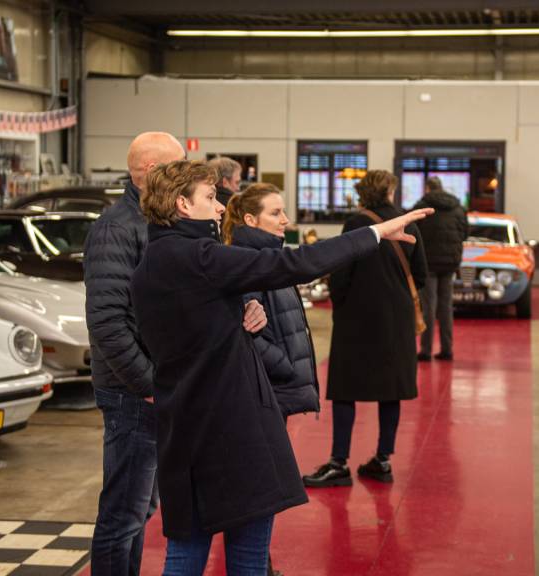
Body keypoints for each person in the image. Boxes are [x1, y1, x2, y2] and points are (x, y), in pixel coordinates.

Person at [130, 161, 431, 576]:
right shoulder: (201, 257)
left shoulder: (149, 266)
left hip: (182, 429)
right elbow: (295, 264)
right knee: (249, 556)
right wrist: (375, 232)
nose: (220, 207)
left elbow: (183, 331)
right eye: (210, 197)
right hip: (234, 428)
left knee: (185, 554)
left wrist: (236, 310)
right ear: (182, 204)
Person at [84, 133, 266, 576]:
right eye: (177, 164)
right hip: (135, 394)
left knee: (142, 508)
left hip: (167, 387)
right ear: (151, 172)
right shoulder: (116, 229)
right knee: (124, 513)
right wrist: (151, 385)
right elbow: (107, 322)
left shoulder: (160, 225)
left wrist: (245, 304)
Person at [302, 169, 428, 488]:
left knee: (345, 388)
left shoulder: (356, 224)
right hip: (397, 319)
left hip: (356, 318)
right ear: (389, 191)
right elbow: (421, 275)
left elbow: (340, 272)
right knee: (392, 389)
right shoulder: (407, 221)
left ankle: (338, 462)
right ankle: (382, 460)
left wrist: (342, 305)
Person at [222, 183, 318, 576]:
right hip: (264, 389)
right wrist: (286, 366)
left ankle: (260, 563)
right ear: (250, 219)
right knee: (258, 489)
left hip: (274, 388)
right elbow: (245, 332)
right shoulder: (247, 262)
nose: (286, 220)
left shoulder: (269, 257)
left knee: (263, 488)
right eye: (275, 213)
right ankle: (256, 565)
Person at [412, 176, 468, 361]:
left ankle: (426, 350)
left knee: (428, 307)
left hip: (428, 263)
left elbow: (412, 231)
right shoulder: (458, 208)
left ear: (428, 188)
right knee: (446, 306)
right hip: (450, 263)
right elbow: (464, 233)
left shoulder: (422, 207)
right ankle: (447, 349)